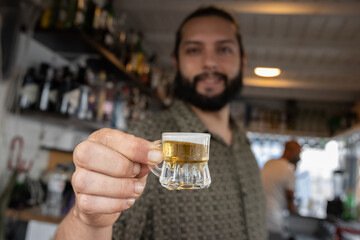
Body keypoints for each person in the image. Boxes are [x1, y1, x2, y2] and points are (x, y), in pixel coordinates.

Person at [54, 6, 267, 240]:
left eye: (224, 49)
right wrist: (87, 221)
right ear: (176, 62)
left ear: (242, 60)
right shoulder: (145, 142)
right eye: (194, 50)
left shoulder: (245, 145)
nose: (209, 62)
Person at [261, 140, 301, 239]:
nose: (299, 156)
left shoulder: (269, 163)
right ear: (288, 151)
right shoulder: (288, 169)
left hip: (260, 219)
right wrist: (295, 212)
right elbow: (290, 201)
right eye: (298, 153)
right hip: (274, 221)